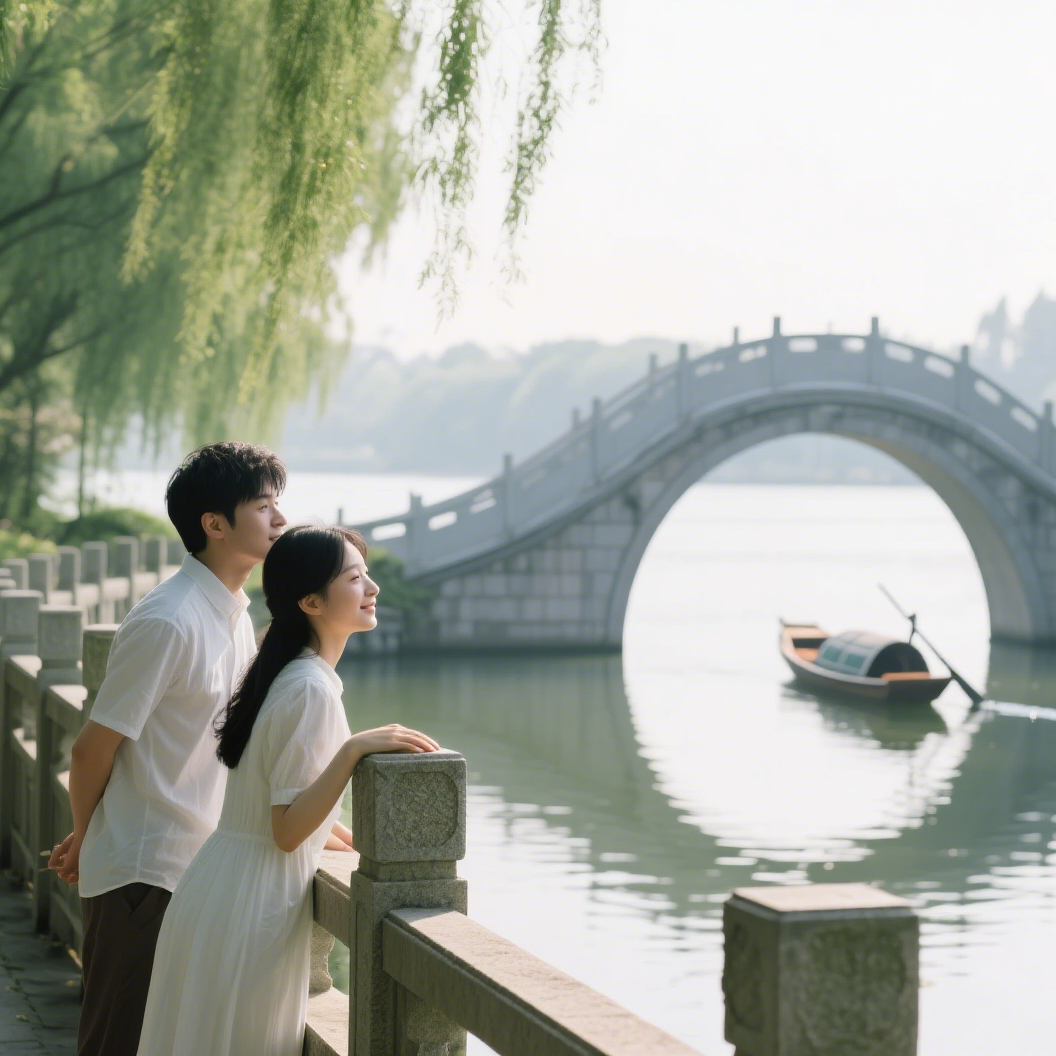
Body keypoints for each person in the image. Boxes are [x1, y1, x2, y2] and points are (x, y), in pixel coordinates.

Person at [136, 525, 439, 1056]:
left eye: (367, 574)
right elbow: (285, 830)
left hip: (219, 890)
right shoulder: (310, 689)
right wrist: (352, 752)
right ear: (311, 601)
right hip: (251, 907)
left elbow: (278, 799)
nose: (373, 588)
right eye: (355, 577)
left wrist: (341, 833)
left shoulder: (287, 673)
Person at [47, 442, 288, 1056]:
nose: (280, 519)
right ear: (214, 524)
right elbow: (91, 750)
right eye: (264, 506)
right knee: (119, 1038)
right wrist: (91, 837)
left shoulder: (231, 612)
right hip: (145, 875)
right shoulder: (169, 620)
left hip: (194, 868)